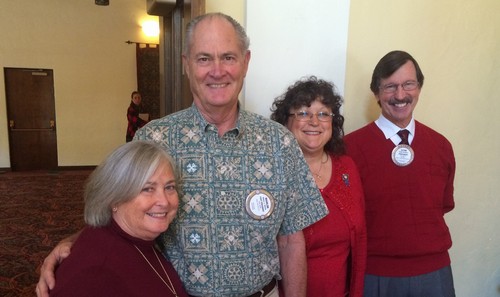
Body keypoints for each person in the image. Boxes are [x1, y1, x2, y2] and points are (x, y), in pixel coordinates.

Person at [36, 13, 329, 297]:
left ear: (246, 62)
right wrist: (70, 244)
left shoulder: (280, 143)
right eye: (204, 58)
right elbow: (120, 223)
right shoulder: (153, 139)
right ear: (186, 65)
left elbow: (291, 240)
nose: (217, 70)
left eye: (228, 57)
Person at [344, 50, 456, 297]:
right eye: (390, 87)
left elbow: (443, 205)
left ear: (419, 87)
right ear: (376, 93)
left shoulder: (441, 146)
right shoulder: (350, 149)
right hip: (375, 275)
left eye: (408, 84)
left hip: (434, 273)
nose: (400, 95)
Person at [49, 141, 188, 296]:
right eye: (148, 189)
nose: (164, 201)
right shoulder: (95, 272)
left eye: (169, 187)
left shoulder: (140, 239)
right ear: (114, 198)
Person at [271, 76, 367, 297]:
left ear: (333, 122)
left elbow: (360, 239)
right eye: (303, 113)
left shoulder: (347, 168)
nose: (314, 121)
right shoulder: (272, 172)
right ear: (286, 122)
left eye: (323, 114)